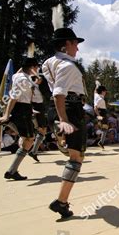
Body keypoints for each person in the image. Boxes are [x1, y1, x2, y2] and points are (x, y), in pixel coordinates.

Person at [42, 23, 87, 219]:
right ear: (66, 44)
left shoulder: (48, 63)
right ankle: (61, 202)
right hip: (69, 108)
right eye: (75, 43)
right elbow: (59, 93)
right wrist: (63, 120)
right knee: (76, 158)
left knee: (76, 154)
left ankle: (62, 139)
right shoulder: (68, 66)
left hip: (56, 108)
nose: (77, 47)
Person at [0, 57, 39, 180]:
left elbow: (20, 71)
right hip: (22, 110)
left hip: (23, 110)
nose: (38, 69)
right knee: (29, 140)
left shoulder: (17, 76)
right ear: (32, 68)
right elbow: (13, 98)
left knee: (27, 140)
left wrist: (28, 63)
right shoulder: (23, 80)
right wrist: (6, 114)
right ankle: (12, 170)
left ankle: (12, 170)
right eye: (36, 67)